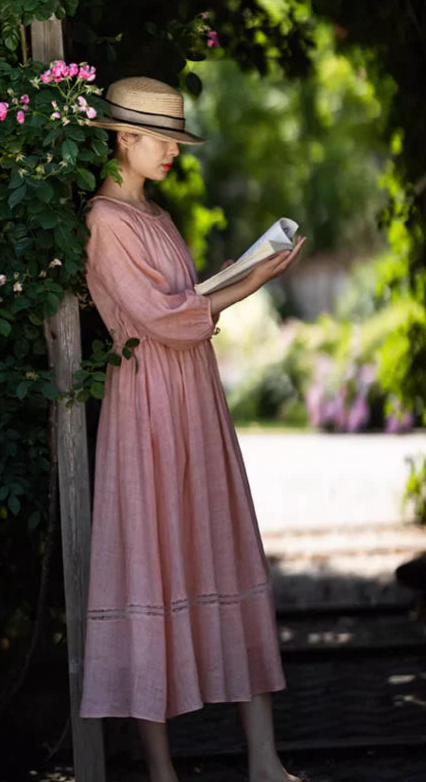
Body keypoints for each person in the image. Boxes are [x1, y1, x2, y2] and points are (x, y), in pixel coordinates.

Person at [79, 76, 310, 782]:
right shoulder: (105, 220)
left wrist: (233, 276)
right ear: (125, 138)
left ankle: (264, 761)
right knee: (150, 560)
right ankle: (162, 773)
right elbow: (164, 319)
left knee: (222, 547)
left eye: (176, 140)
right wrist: (253, 281)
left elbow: (183, 302)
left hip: (193, 397)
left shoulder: (156, 214)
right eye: (162, 140)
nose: (173, 152)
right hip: (147, 403)